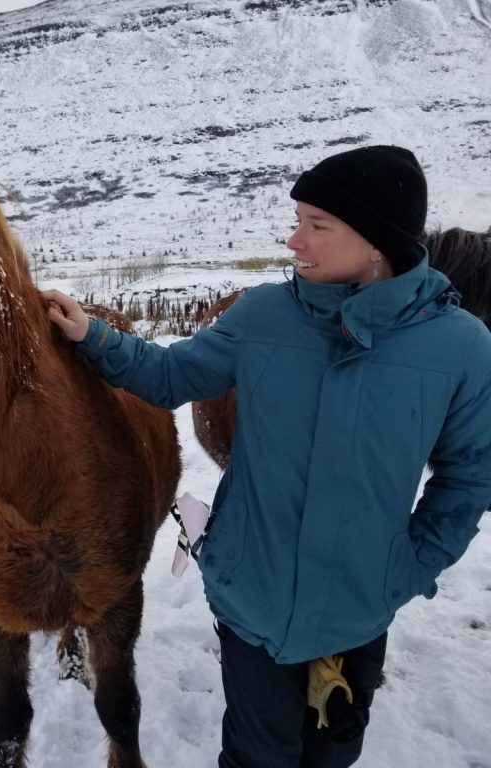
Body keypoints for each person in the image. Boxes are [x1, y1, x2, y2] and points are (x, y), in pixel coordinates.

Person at [42, 145, 491, 767]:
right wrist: (93, 336)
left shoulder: (460, 348)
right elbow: (172, 375)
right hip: (251, 595)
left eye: (316, 225)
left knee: (331, 754)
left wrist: (409, 567)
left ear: (376, 242)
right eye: (296, 220)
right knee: (257, 755)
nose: (293, 239)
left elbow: (469, 476)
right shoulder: (263, 314)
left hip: (360, 606)